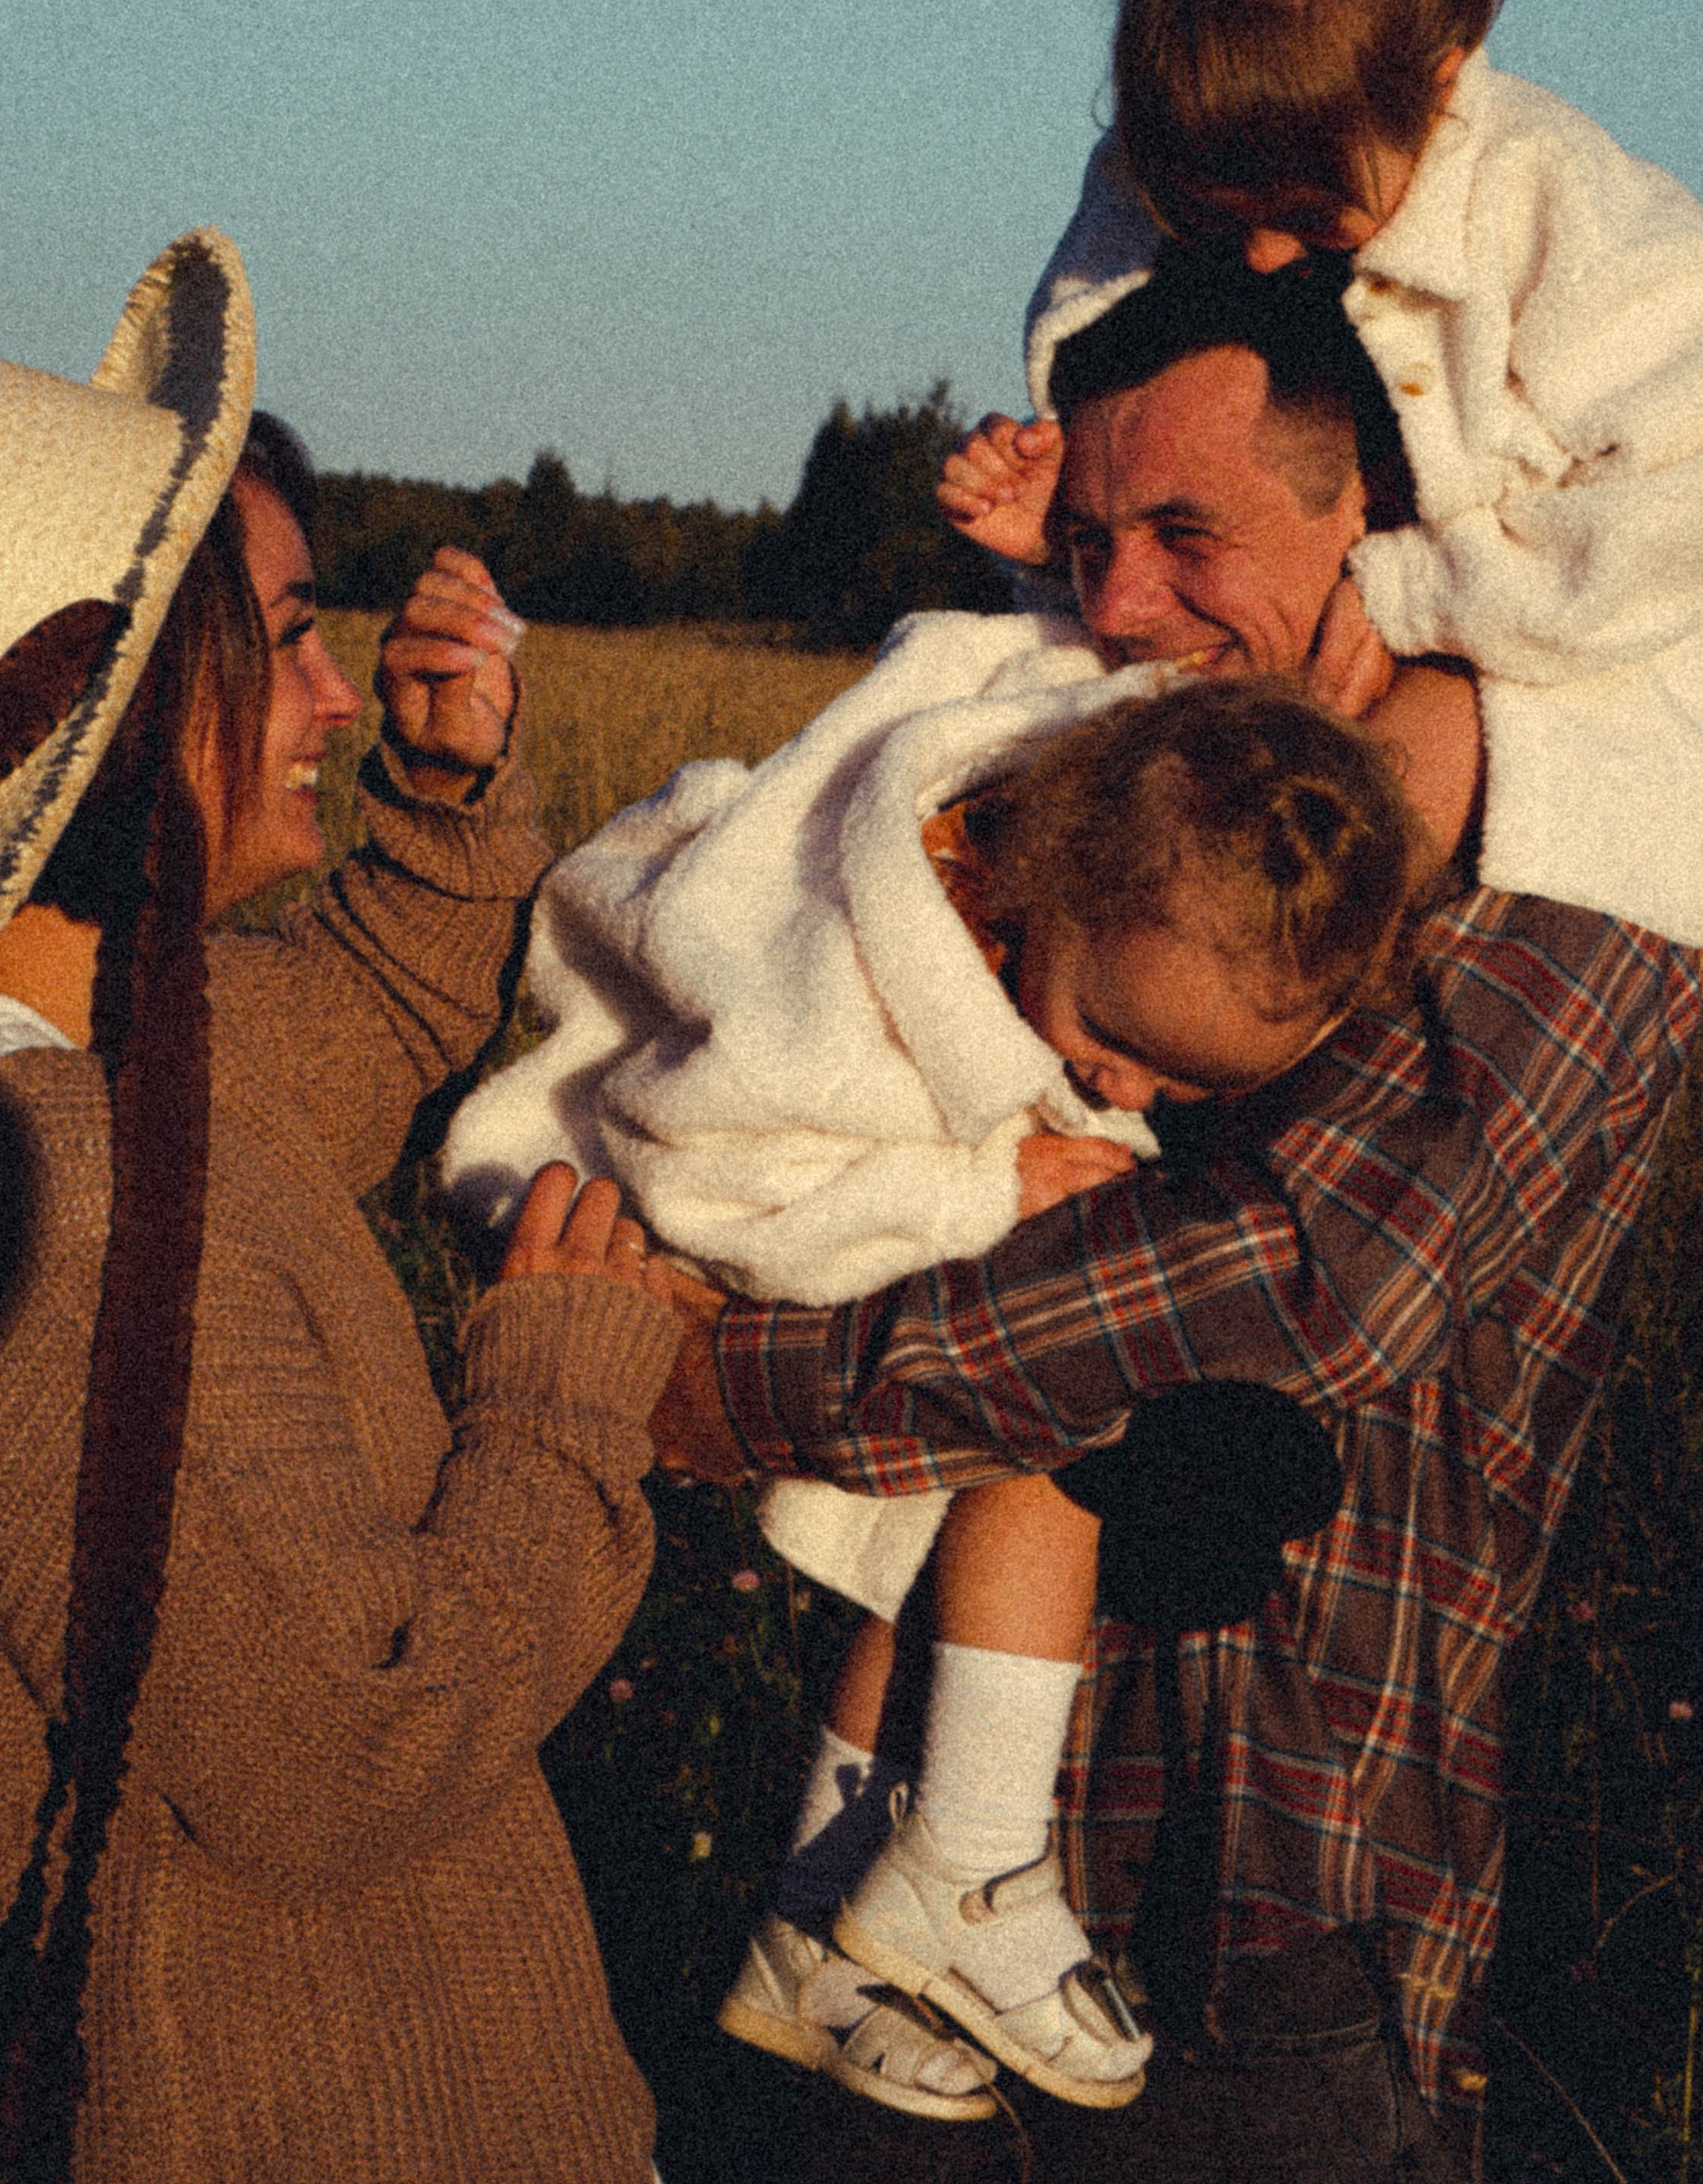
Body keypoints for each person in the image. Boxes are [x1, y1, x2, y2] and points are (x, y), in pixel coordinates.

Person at [643, 259, 1703, 2182]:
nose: (1119, 603)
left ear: (1367, 518)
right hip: (918, 1862)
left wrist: (722, 1382)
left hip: (1275, 1909)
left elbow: (1290, 1288)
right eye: (1084, 541)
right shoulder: (1089, 788)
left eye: (1185, 532)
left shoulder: (1560, 878)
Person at [0, 231, 679, 2184]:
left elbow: (363, 1015)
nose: (337, 696)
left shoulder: (107, 1054)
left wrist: (445, 792)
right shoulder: (48, 1207)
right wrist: (565, 1405)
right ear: (147, 704)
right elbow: (341, 1739)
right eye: (292, 638)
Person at [446, 672, 1431, 2119]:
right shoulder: (833, 1000)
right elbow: (702, 1172)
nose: (1129, 1091)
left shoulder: (1102, 846)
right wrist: (980, 1186)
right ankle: (963, 1858)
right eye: (1117, 1039)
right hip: (632, 1216)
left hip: (817, 1211)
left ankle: (816, 1925)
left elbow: (1048, 651)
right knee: (1043, 1409)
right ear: (1052, 879)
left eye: (1181, 1083)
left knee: (942, 1527)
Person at [944, 0, 1703, 963]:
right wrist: (1070, 522)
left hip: (1602, 658)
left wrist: (1415, 592)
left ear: (1441, 85)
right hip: (1306, 659)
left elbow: (1684, 508)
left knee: (1404, 760)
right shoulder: (1187, 176)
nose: (1256, 259)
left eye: (1307, 219)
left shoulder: (1580, 224)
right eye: (1212, 216)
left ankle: (1244, 974)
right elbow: (1159, 418)